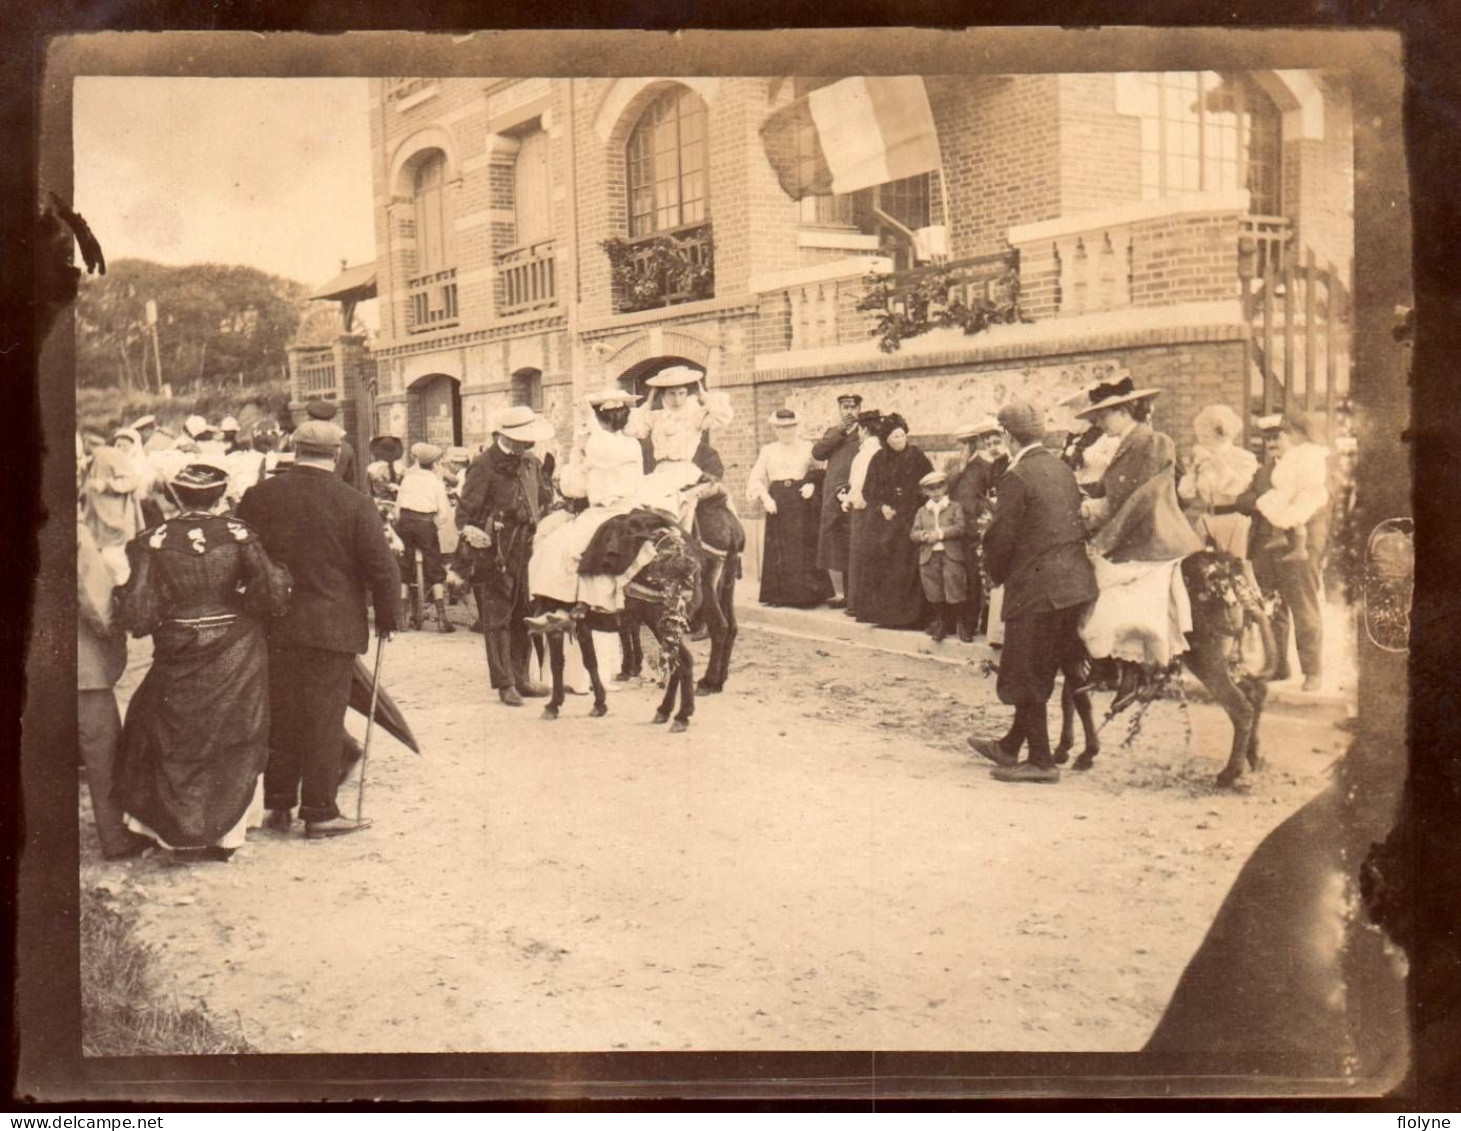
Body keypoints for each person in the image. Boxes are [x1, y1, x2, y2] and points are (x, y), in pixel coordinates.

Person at [112, 457, 292, 857]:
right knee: (233, 729)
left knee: (170, 729)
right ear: (219, 495)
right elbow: (272, 595)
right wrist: (240, 602)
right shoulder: (240, 534)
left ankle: (172, 831)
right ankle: (226, 834)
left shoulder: (152, 539)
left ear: (177, 494)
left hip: (177, 642)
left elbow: (139, 613)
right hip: (236, 644)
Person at [236, 420, 400, 838]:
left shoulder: (260, 497)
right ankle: (320, 811)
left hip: (275, 624)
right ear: (336, 454)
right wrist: (387, 617)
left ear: (294, 449)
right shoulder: (354, 503)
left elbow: (240, 557)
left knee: (281, 714)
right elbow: (382, 568)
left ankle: (278, 806)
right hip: (332, 628)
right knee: (325, 719)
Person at [968, 403, 1099, 784]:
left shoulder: (1017, 475)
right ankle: (1010, 745)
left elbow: (1001, 535)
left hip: (1037, 587)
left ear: (1008, 436)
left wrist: (994, 573)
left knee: (1027, 669)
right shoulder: (1060, 467)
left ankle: (1041, 761)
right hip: (1074, 585)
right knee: (1044, 666)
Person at [1073, 378, 1204, 710]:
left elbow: (1144, 498)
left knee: (1118, 603)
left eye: (1104, 416)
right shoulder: (1126, 444)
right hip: (1132, 536)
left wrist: (1106, 538)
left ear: (1123, 410)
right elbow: (1110, 492)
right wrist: (1085, 505)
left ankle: (1128, 675)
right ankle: (1119, 675)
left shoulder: (1154, 441)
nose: (1099, 424)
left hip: (1152, 539)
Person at [455, 405, 554, 706]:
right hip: (495, 550)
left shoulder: (531, 462)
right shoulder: (483, 465)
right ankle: (505, 683)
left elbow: (541, 497)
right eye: (522, 439)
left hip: (528, 546)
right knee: (497, 617)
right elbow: (465, 513)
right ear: (506, 437)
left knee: (525, 612)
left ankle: (522, 678)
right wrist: (475, 540)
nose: (527, 444)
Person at [526, 387, 650, 626]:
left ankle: (575, 604)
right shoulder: (595, 445)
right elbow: (576, 488)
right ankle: (553, 605)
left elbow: (605, 453)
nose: (597, 426)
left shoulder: (628, 445)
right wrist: (576, 457)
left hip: (621, 509)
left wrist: (591, 428)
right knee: (551, 543)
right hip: (595, 511)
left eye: (601, 421)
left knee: (573, 548)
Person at [78, 518, 153, 860]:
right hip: (79, 666)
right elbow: (94, 600)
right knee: (102, 750)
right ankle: (114, 837)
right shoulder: (68, 529)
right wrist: (114, 631)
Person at [1241, 410, 1329, 692]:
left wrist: (1269, 504)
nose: (1272, 444)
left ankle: (1313, 671)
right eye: (1267, 439)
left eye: (1277, 437)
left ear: (1293, 438)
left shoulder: (1314, 465)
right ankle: (1278, 666)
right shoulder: (1265, 470)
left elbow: (1318, 505)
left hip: (1298, 546)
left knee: (1303, 607)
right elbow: (1243, 500)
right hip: (1265, 547)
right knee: (1271, 608)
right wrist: (1262, 500)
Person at [625, 366, 734, 532]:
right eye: (671, 394)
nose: (677, 399)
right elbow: (632, 429)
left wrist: (705, 397)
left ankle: (681, 540)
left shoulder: (695, 415)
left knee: (680, 501)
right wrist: (648, 402)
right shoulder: (655, 417)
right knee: (639, 503)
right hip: (660, 473)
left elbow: (722, 416)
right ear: (662, 394)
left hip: (685, 472)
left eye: (681, 393)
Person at [747, 408, 832, 608]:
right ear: (776, 429)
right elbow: (756, 476)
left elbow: (822, 471)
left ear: (797, 427)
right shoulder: (768, 450)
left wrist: (812, 484)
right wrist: (766, 497)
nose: (787, 431)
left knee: (802, 546)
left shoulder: (807, 447)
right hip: (777, 502)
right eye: (782, 428)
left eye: (791, 427)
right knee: (779, 547)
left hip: (802, 500)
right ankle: (780, 596)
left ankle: (806, 596)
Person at [856, 413, 933, 628]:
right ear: (886, 440)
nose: (899, 440)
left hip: (910, 518)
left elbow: (930, 484)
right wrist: (882, 506)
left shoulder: (917, 456)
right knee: (885, 563)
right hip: (885, 522)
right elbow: (868, 490)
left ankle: (910, 617)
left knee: (907, 566)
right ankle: (887, 616)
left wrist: (913, 502)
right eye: (894, 437)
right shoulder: (878, 459)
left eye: (902, 435)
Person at [946, 418, 1007, 641]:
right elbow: (945, 489)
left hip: (974, 528)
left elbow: (992, 494)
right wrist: (960, 468)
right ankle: (954, 620)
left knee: (974, 576)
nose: (965, 448)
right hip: (954, 525)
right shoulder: (953, 466)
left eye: (969, 443)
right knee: (955, 575)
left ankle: (970, 624)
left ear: (975, 444)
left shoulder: (985, 466)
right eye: (961, 444)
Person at [1178, 403, 1260, 558]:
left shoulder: (1244, 458)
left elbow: (1236, 487)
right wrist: (1194, 471)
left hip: (1234, 523)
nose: (1201, 441)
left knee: (1235, 570)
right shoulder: (1202, 459)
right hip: (1207, 521)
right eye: (1199, 436)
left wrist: (1215, 460)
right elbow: (1186, 493)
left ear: (1222, 433)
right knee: (1207, 571)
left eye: (1206, 436)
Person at [396, 442, 457, 634]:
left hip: (405, 523)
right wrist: (434, 524)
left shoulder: (407, 480)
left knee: (403, 568)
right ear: (433, 464)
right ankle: (441, 620)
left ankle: (401, 620)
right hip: (425, 524)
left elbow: (398, 509)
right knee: (434, 568)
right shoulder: (436, 483)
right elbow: (445, 513)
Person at [811, 393, 864, 607]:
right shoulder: (833, 433)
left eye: (853, 407)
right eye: (845, 407)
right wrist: (840, 430)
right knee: (832, 542)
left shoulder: (865, 433)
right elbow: (818, 452)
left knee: (854, 540)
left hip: (855, 494)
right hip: (833, 497)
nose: (849, 411)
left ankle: (856, 594)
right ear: (839, 410)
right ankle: (840, 593)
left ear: (859, 409)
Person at [909, 469, 968, 641]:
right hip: (929, 555)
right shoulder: (922, 511)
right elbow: (913, 532)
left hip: (950, 554)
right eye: (930, 489)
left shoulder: (954, 507)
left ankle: (961, 625)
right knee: (934, 590)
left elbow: (960, 527)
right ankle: (940, 624)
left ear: (945, 488)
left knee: (955, 587)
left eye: (938, 487)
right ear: (925, 491)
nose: (935, 492)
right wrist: (923, 536)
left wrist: (940, 534)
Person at [80, 431, 144, 584]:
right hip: (97, 520)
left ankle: (123, 597)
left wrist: (107, 485)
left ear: (88, 442)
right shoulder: (90, 459)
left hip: (113, 522)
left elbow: (132, 480)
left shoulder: (111, 455)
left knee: (115, 563)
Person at [842, 409, 884, 618]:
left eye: (859, 429)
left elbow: (858, 485)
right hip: (877, 510)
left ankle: (857, 605)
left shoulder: (864, 454)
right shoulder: (881, 450)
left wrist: (848, 501)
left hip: (863, 511)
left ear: (864, 429)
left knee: (859, 556)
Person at [301, 400, 360, 490]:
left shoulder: (303, 444)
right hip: (338, 497)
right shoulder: (346, 447)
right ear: (330, 420)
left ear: (310, 420)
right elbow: (351, 483)